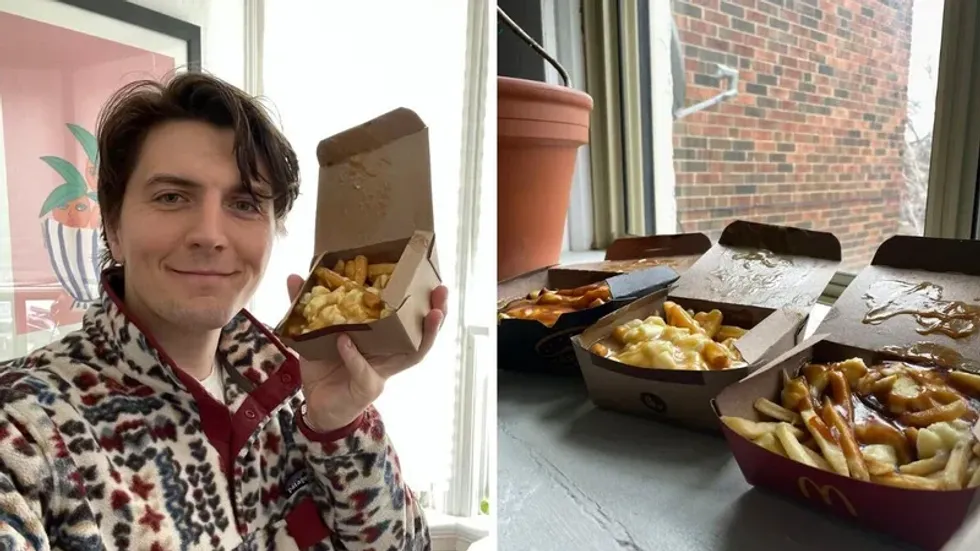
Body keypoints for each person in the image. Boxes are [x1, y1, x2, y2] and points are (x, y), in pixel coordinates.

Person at [0, 72, 446, 550]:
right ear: (112, 224)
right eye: (172, 197)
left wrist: (340, 425)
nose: (210, 234)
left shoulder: (292, 389)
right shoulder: (27, 424)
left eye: (244, 203)